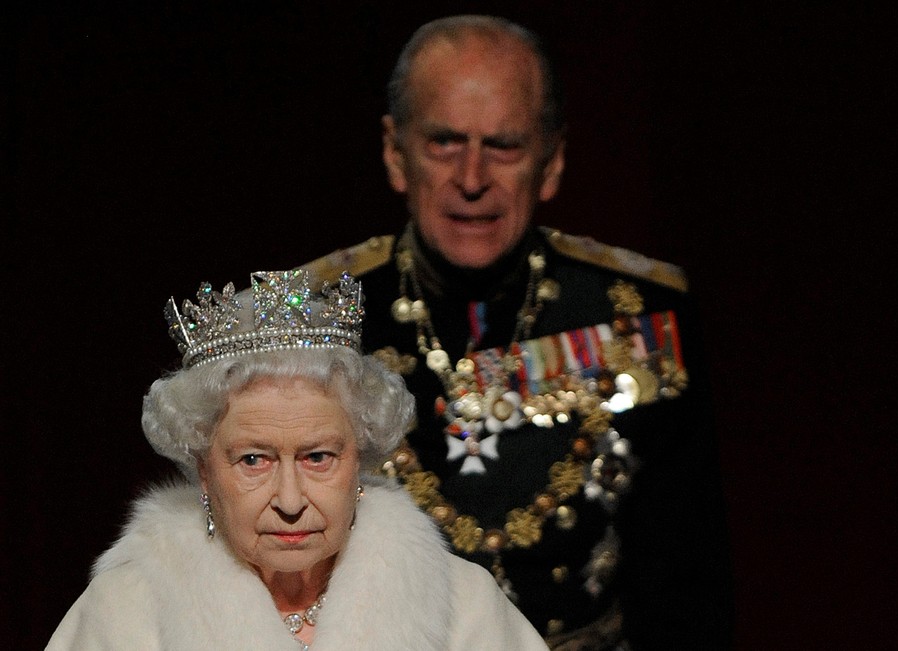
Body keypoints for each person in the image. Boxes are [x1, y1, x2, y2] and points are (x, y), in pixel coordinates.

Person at [300, 15, 734, 649]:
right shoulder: (302, 314)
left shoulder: (638, 313)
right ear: (395, 154)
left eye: (504, 146)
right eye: (444, 142)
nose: (472, 179)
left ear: (552, 162)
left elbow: (687, 587)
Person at [46, 270, 547, 650]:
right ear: (203, 467)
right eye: (253, 460)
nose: (290, 501)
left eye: (318, 457)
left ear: (361, 458)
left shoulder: (463, 605)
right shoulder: (128, 609)